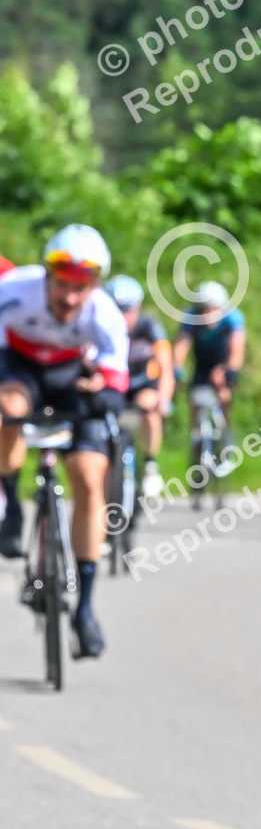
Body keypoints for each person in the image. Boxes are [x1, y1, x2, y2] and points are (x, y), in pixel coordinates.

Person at [0, 225, 128, 656]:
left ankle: (85, 608)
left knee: (89, 479)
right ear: (46, 276)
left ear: (96, 285)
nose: (70, 298)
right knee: (10, 409)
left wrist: (105, 394)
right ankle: (12, 506)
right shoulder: (14, 291)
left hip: (71, 379)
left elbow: (115, 377)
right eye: (62, 285)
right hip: (19, 369)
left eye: (81, 288)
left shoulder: (105, 314)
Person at [106, 274, 174, 500]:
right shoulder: (101, 325)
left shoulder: (149, 326)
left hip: (143, 383)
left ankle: (151, 464)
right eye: (116, 309)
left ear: (138, 307)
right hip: (114, 384)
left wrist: (164, 399)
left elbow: (166, 367)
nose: (122, 316)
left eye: (127, 310)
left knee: (149, 406)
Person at [172, 281, 245, 427]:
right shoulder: (191, 317)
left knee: (224, 396)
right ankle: (197, 436)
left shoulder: (232, 318)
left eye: (211, 309)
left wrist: (228, 370)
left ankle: (225, 431)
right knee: (195, 400)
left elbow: (237, 351)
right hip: (201, 361)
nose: (206, 314)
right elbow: (181, 346)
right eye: (202, 309)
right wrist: (176, 370)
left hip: (223, 360)